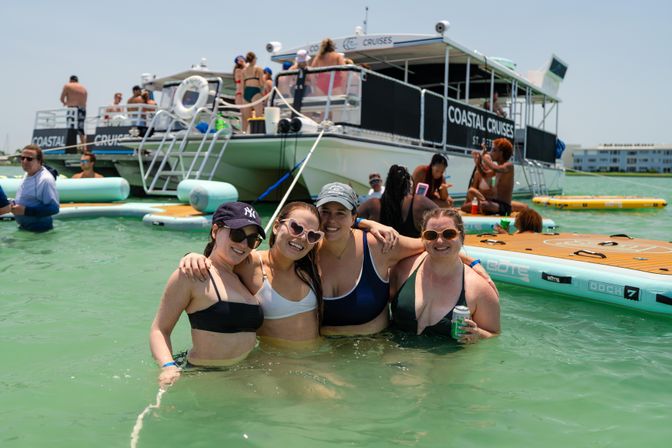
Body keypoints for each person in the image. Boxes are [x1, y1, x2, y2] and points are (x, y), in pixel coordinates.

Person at [149, 202, 265, 387]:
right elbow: (159, 330)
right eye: (237, 234)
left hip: (241, 375)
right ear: (215, 231)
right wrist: (168, 366)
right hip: (201, 376)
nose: (243, 244)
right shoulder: (192, 274)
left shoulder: (244, 275)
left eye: (252, 240)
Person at [391, 208, 500, 342]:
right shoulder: (403, 269)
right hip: (393, 357)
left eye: (449, 234)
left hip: (444, 362)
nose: (440, 241)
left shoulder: (480, 289)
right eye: (431, 235)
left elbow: (494, 336)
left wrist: (478, 335)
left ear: (462, 236)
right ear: (423, 238)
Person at [357, 165, 437, 238]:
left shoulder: (373, 205)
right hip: (413, 252)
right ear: (409, 184)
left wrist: (370, 224)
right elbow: (445, 217)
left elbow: (349, 218)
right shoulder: (419, 202)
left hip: (381, 253)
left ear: (387, 183)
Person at [461, 138, 519, 216]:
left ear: (501, 153)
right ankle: (483, 209)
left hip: (504, 206)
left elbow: (495, 168)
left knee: (484, 205)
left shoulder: (509, 166)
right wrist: (478, 161)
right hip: (493, 202)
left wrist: (485, 157)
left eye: (494, 150)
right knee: (464, 207)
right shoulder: (498, 167)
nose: (491, 152)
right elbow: (484, 173)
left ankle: (484, 208)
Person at [11, 144, 60, 232]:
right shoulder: (28, 172)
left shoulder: (45, 180)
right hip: (24, 228)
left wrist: (26, 211)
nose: (24, 161)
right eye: (22, 158)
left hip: (39, 232)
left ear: (39, 161)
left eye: (29, 159)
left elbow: (54, 209)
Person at [60, 75, 88, 147]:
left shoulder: (67, 85)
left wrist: (65, 102)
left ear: (70, 80)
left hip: (72, 109)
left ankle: (71, 148)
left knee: (71, 128)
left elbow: (61, 98)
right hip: (82, 109)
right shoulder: (83, 88)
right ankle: (84, 148)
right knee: (81, 129)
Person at [242, 51, 265, 131]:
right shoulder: (258, 69)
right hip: (255, 91)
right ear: (254, 59)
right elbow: (262, 83)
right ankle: (259, 132)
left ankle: (246, 133)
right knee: (259, 117)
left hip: (246, 92)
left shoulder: (243, 70)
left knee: (247, 118)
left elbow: (242, 86)